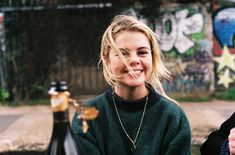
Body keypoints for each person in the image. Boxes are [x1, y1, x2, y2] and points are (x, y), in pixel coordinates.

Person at [71, 15, 191, 155]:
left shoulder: (173, 116)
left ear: (152, 57)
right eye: (123, 53)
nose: (134, 60)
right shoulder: (86, 116)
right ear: (106, 59)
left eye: (142, 52)